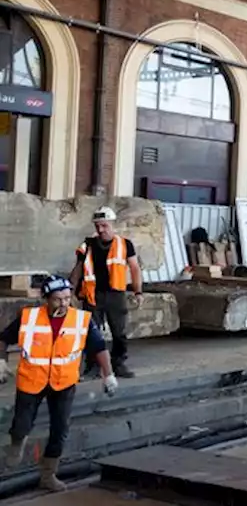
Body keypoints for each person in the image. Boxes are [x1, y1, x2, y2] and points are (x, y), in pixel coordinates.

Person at [0, 277, 117, 491]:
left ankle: (48, 474)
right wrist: (1, 361)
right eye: (57, 299)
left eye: (66, 298)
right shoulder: (29, 317)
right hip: (32, 379)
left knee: (60, 428)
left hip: (63, 381)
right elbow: (3, 338)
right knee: (22, 423)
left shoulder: (82, 320)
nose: (63, 304)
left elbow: (99, 347)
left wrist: (108, 375)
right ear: (46, 299)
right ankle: (17, 443)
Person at [68, 207, 142, 379]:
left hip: (116, 294)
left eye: (104, 226)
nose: (100, 230)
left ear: (112, 224)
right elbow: (78, 269)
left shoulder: (124, 244)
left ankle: (118, 364)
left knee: (119, 332)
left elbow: (135, 268)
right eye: (97, 226)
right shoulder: (87, 245)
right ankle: (93, 366)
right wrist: (69, 290)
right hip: (92, 294)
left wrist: (138, 292)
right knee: (92, 332)